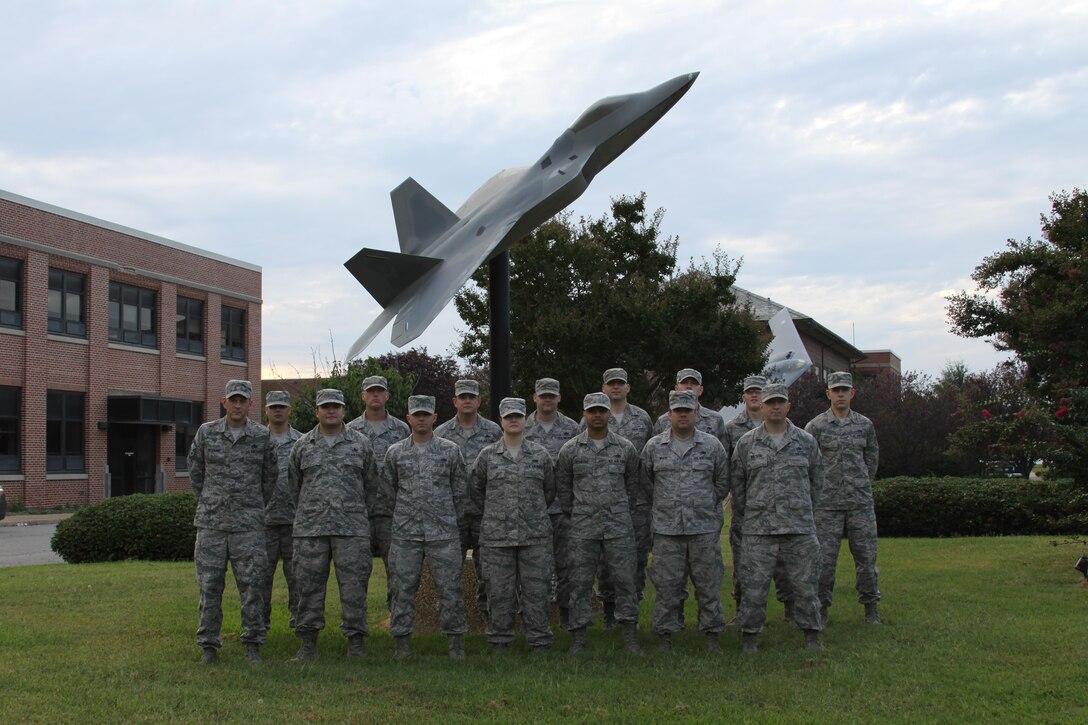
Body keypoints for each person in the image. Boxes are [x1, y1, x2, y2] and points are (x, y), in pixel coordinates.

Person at [188, 379, 278, 664]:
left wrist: (251, 505)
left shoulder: (262, 437)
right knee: (210, 586)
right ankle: (208, 646)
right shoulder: (207, 433)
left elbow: (270, 477)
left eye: (243, 400)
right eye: (233, 400)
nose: (237, 405)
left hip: (249, 525)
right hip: (212, 524)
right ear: (224, 402)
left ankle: (253, 642)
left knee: (252, 585)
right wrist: (211, 501)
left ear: (251, 404)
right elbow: (195, 472)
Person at [731, 383, 825, 652]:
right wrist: (753, 512)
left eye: (779, 402)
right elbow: (738, 485)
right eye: (770, 402)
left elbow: (817, 480)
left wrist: (803, 509)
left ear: (788, 406)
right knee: (754, 587)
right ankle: (750, 636)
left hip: (799, 528)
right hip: (758, 531)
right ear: (761, 406)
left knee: (806, 585)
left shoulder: (805, 442)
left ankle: (811, 635)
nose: (774, 407)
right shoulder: (747, 443)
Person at [288, 388, 380, 660]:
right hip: (310, 530)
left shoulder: (361, 444)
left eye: (336, 407)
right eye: (326, 407)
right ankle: (307, 644)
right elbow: (294, 487)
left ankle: (356, 642)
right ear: (317, 411)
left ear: (343, 411)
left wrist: (356, 513)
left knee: (354, 588)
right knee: (308, 589)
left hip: (351, 530)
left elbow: (372, 486)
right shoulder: (302, 446)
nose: (331, 411)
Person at [381, 395, 469, 660]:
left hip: (443, 533)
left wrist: (446, 519)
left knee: (450, 589)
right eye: (416, 414)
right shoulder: (395, 452)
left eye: (425, 414)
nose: (421, 418)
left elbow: (461, 493)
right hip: (406, 534)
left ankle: (455, 645)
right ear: (408, 418)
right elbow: (388, 492)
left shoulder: (450, 450)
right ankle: (402, 645)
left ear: (434, 418)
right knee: (402, 589)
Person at [641, 390, 729, 651]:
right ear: (669, 414)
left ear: (695, 414)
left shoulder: (712, 446)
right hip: (667, 530)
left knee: (709, 584)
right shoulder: (654, 447)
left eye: (687, 410)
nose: (682, 414)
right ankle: (665, 635)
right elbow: (646, 484)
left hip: (703, 529)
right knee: (667, 586)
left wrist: (704, 505)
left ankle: (712, 634)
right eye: (677, 410)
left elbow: (722, 482)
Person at [467, 397, 557, 653]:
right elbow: (477, 491)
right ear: (501, 421)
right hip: (497, 538)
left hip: (534, 536)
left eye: (518, 416)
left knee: (537, 592)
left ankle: (539, 640)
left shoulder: (540, 455)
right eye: (509, 417)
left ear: (525, 419)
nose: (514, 420)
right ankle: (500, 640)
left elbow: (549, 491)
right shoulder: (487, 456)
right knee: (499, 593)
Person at [556, 392, 642, 654]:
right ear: (584, 414)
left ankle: (629, 635)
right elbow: (563, 490)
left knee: (626, 581)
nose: (597, 415)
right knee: (579, 583)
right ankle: (579, 637)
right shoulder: (570, 450)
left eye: (602, 411)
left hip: (618, 527)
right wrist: (580, 513)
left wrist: (616, 510)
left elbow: (633, 487)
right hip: (583, 528)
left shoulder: (625, 448)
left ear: (608, 414)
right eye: (592, 411)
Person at [804, 371, 882, 625]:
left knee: (867, 560)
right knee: (824, 562)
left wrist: (860, 485)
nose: (840, 394)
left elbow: (871, 459)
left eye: (844, 390)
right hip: (827, 505)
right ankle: (822, 610)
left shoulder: (864, 425)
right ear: (828, 394)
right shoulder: (815, 427)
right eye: (835, 390)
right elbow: (808, 464)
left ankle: (871, 608)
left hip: (860, 503)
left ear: (852, 393)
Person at [591, 367, 654, 620]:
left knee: (636, 557)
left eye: (620, 383)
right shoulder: (592, 417)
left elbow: (650, 458)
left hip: (636, 503)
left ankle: (631, 611)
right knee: (605, 561)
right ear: (604, 388)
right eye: (611, 384)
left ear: (628, 387)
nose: (615, 387)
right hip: (602, 503)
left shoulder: (642, 418)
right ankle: (608, 611)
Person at [435, 379, 502, 608]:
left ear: (479, 401)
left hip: (485, 511)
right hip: (454, 513)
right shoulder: (441, 433)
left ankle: (487, 612)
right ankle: (451, 615)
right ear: (455, 401)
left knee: (489, 568)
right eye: (462, 397)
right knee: (450, 566)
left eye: (471, 397)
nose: (467, 401)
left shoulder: (493, 431)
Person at [346, 375, 410, 610]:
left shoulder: (402, 430)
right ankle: (356, 619)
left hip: (391, 511)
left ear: (387, 396)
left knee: (397, 568)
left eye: (379, 391)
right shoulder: (351, 430)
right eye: (370, 391)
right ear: (363, 395)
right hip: (358, 512)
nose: (375, 395)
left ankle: (397, 617)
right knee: (356, 570)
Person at [524, 377, 579, 626]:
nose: (547, 399)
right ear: (534, 397)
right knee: (533, 567)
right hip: (531, 511)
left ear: (559, 398)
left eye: (551, 395)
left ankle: (567, 615)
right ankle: (533, 617)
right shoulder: (521, 427)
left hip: (563, 510)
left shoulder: (572, 429)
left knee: (566, 564)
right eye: (542, 395)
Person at [258, 390, 303, 632]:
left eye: (282, 406)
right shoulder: (255, 439)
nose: (278, 410)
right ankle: (260, 625)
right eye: (273, 406)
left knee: (298, 577)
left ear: (289, 410)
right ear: (266, 410)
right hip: (263, 521)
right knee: (260, 578)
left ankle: (300, 623)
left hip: (295, 521)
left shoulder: (302, 441)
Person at [653, 368, 730, 449]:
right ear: (676, 388)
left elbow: (724, 455)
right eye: (684, 382)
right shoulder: (663, 421)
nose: (689, 386)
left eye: (694, 383)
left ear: (701, 390)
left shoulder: (715, 420)